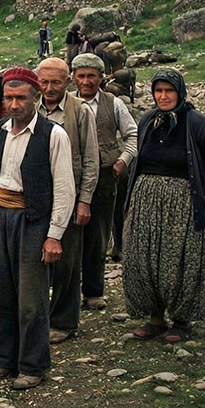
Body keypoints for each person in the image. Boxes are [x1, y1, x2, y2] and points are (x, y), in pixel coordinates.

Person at [0, 67, 75, 390]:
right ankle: (4, 360)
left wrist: (54, 234)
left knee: (31, 300)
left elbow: (64, 189)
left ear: (36, 98)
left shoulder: (54, 135)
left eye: (20, 98)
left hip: (33, 221)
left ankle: (32, 365)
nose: (14, 105)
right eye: (9, 98)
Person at [123, 70, 205, 343]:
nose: (163, 96)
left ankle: (182, 322)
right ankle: (155, 318)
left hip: (182, 203)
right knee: (144, 259)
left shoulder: (197, 123)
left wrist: (193, 185)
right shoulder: (147, 120)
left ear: (180, 92)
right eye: (158, 90)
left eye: (169, 90)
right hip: (146, 201)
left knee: (179, 260)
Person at [36, 58, 99, 345]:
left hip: (70, 198)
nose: (49, 88)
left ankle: (63, 321)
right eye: (44, 82)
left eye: (56, 83)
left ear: (68, 82)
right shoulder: (28, 107)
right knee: (35, 260)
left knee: (67, 262)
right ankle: (36, 317)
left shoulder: (81, 112)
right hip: (36, 200)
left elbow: (91, 160)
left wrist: (84, 200)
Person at [71, 53, 138, 310]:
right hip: (71, 179)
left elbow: (132, 135)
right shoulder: (67, 104)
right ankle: (68, 292)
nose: (86, 81)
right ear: (74, 78)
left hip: (105, 178)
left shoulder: (114, 103)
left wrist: (123, 161)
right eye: (81, 76)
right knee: (67, 236)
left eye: (91, 76)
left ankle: (94, 291)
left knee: (99, 235)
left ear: (101, 77)